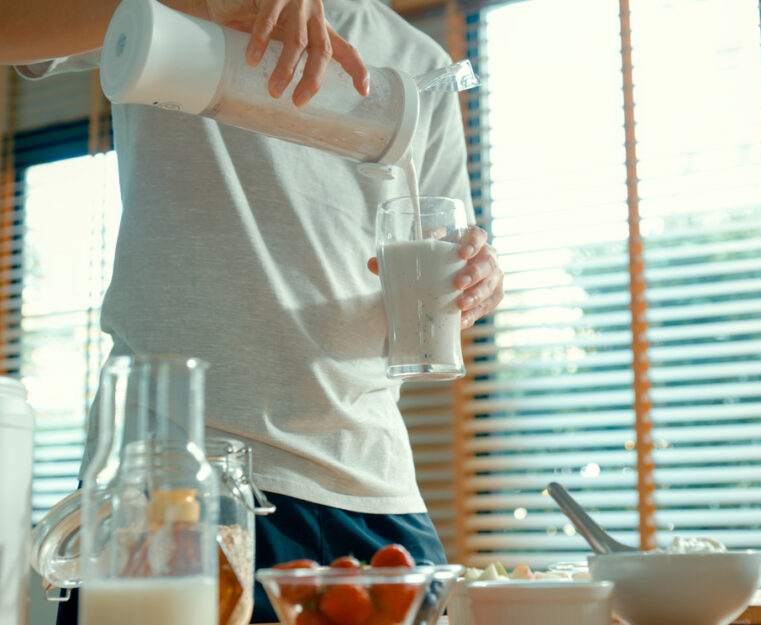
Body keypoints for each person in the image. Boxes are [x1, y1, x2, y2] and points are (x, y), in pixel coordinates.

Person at [0, 0, 504, 622]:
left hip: (371, 483)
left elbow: (443, 257)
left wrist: (476, 280)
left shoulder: (421, 63)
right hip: (176, 473)